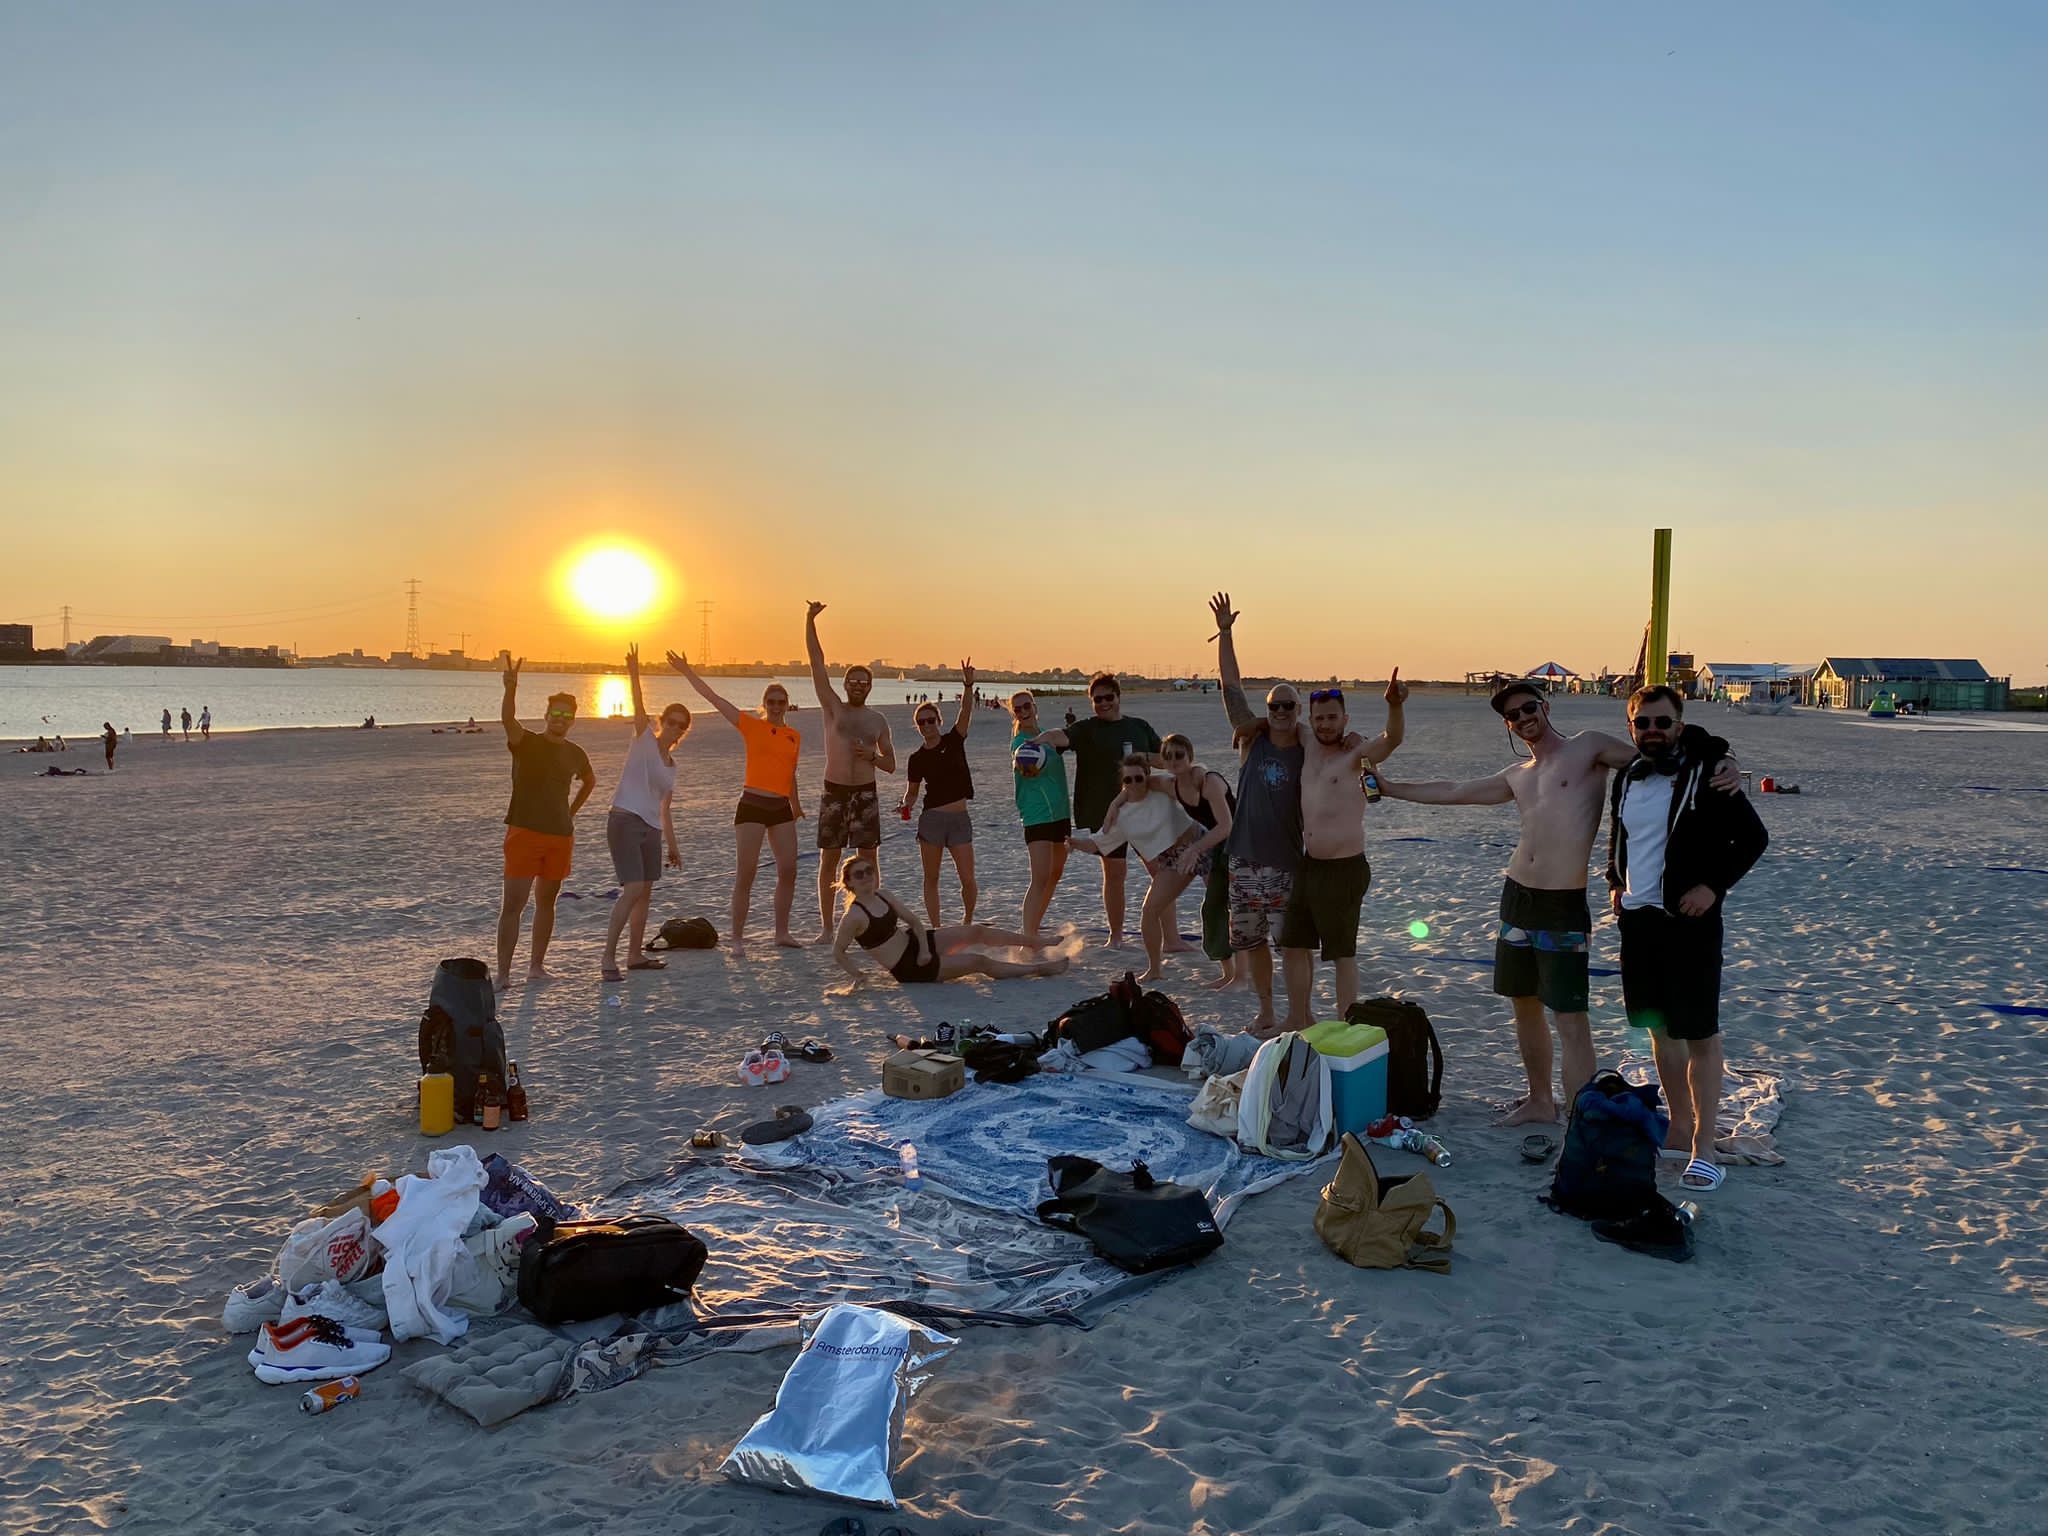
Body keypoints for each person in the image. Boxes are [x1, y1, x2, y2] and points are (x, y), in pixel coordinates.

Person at [1379, 679, 1738, 1126]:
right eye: (1514, 715)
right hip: (1517, 899)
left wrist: (1724, 757)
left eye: (1529, 707)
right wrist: (1390, 787)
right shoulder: (1518, 776)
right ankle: (1539, 1100)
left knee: (1570, 1017)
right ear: (1508, 725)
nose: (1524, 718)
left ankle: (1581, 1116)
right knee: (1523, 1004)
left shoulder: (1587, 750)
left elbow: (1659, 748)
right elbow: (1454, 789)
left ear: (1544, 706)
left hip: (1562, 903)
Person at [1607, 685, 1768, 1191]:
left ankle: (1702, 1144)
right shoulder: (1627, 777)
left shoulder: (1708, 772)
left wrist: (1712, 887)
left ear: (1679, 725)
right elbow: (1622, 838)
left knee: (1700, 1033)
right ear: (1631, 727)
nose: (1652, 731)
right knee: (1659, 1030)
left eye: (1662, 722)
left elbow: (1753, 839)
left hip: (1690, 922)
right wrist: (1616, 883)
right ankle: (1678, 1123)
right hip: (1639, 919)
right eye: (1643, 723)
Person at [1279, 676, 1407, 1031]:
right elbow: (1278, 719)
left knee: (1341, 954)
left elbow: (1392, 739)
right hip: (1309, 865)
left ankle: (1345, 1027)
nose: (1325, 725)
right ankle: (1298, 1018)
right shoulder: (1306, 740)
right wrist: (1249, 726)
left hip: (1344, 868)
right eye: (1319, 718)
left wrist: (1395, 706)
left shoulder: (1356, 753)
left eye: (1333, 717)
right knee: (1293, 945)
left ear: (1345, 719)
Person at [1210, 592, 1309, 1034]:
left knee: (1292, 945)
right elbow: (1231, 685)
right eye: (1275, 706)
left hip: (1287, 863)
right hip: (1244, 860)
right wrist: (1227, 633)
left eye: (1289, 705)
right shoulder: (1252, 740)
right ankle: (1267, 1010)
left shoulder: (1310, 749)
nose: (1281, 712)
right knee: (1251, 943)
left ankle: (1298, 1013)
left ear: (1299, 710)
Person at [668, 650, 805, 951]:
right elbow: (714, 698)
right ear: (764, 704)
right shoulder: (751, 726)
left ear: (787, 705)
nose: (777, 707)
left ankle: (781, 933)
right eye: (771, 702)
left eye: (781, 702)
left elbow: (790, 772)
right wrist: (687, 671)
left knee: (789, 869)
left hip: (780, 806)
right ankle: (738, 938)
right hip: (752, 804)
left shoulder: (793, 735)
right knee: (747, 873)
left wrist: (796, 804)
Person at [1032, 674, 1161, 948]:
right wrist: (1041, 738)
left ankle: (1169, 937)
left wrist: (1141, 757)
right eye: (1097, 699)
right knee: (1115, 873)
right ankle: (1116, 935)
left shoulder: (1139, 727)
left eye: (1107, 698)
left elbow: (1164, 758)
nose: (1103, 704)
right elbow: (1061, 736)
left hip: (1143, 811)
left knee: (1158, 871)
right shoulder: (1088, 729)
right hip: (1105, 813)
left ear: (1118, 696)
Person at [495, 659, 596, 990]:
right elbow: (508, 719)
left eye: (567, 715)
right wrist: (511, 687)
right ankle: (505, 974)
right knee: (513, 905)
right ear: (546, 715)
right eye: (556, 713)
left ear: (573, 720)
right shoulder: (526, 743)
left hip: (560, 836)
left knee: (547, 903)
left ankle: (536, 966)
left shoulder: (575, 752)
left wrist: (572, 812)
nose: (560, 719)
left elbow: (589, 780)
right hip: (524, 831)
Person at [832, 853, 1070, 985]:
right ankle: (1039, 968)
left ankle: (1033, 942)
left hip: (917, 943)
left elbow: (914, 922)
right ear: (849, 882)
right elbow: (839, 951)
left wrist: (925, 949)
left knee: (976, 930)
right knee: (979, 962)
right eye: (859, 874)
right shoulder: (853, 916)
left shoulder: (883, 895)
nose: (866, 877)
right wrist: (859, 975)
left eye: (869, 871)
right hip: (909, 968)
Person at [1072, 754, 1208, 982]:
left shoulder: (1161, 788)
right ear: (1122, 783)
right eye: (1128, 780)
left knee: (1221, 904)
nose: (1134, 784)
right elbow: (1098, 843)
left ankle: (1236, 972)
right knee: (1149, 911)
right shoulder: (1122, 815)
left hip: (1201, 842)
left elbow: (1193, 775)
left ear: (1147, 776)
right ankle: (1155, 969)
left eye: (1139, 778)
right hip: (1172, 859)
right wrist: (1074, 844)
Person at [805, 603, 896, 939]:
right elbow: (816, 662)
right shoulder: (833, 709)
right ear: (845, 684)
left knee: (868, 859)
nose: (858, 685)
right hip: (835, 791)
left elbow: (890, 764)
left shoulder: (877, 720)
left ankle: (871, 919)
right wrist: (810, 621)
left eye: (864, 682)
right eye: (853, 680)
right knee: (829, 859)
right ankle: (828, 927)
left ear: (870, 687)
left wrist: (871, 755)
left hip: (865, 793)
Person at [601, 644, 690, 981]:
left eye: (681, 725)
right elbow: (637, 706)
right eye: (671, 721)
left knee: (646, 892)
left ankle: (634, 954)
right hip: (624, 819)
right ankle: (608, 958)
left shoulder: (672, 765)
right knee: (633, 888)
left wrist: (673, 845)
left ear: (684, 731)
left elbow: (665, 809)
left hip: (651, 827)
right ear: (661, 721)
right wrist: (634, 672)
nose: (675, 728)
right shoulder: (643, 741)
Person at [901, 661, 979, 928]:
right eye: (921, 722)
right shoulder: (916, 759)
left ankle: (967, 921)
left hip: (959, 820)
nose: (926, 725)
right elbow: (912, 792)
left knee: (967, 878)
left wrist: (968, 685)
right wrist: (905, 805)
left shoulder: (954, 740)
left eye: (930, 720)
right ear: (917, 726)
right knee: (931, 877)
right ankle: (935, 927)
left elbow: (966, 711)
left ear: (938, 721)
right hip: (932, 820)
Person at [1160, 732, 1239, 989]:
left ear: (1190, 756)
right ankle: (1229, 973)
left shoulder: (1209, 781)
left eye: (1179, 754)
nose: (1174, 760)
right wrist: (1116, 805)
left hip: (1241, 844)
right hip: (1218, 847)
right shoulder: (1171, 784)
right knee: (1213, 908)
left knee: (1238, 910)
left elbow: (1226, 825)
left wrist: (1194, 849)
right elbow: (1140, 782)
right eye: (1168, 756)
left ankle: (1242, 976)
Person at [1007, 690, 1073, 938]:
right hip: (1037, 816)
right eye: (1017, 709)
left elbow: (1069, 740)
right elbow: (1023, 760)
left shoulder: (1049, 736)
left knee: (1055, 874)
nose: (1023, 712)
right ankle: (1028, 938)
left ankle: (1033, 926)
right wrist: (1026, 766)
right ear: (1014, 714)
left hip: (1061, 813)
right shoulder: (1020, 744)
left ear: (1034, 707)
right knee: (1040, 877)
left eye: (1026, 706)